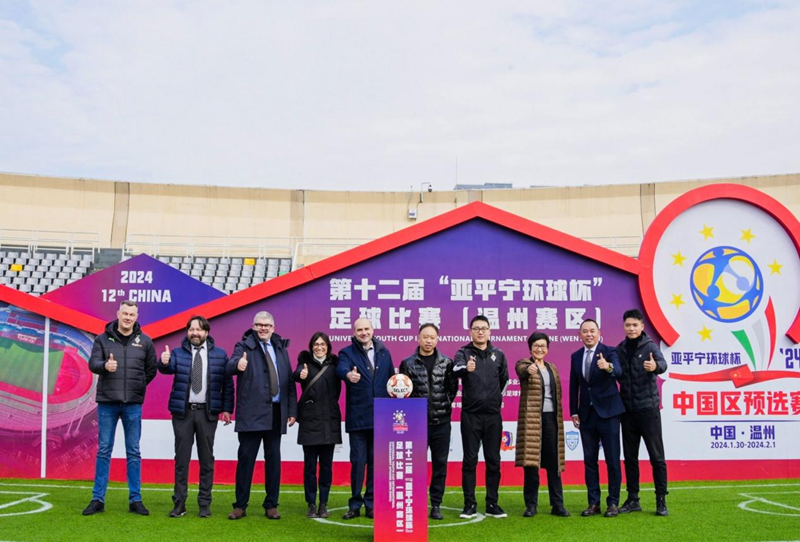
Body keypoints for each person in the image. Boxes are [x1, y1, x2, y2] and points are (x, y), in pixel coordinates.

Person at [83, 300, 157, 516]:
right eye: (125, 313)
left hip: (133, 404)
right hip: (108, 403)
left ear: (136, 317)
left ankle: (135, 499)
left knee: (133, 451)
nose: (128, 317)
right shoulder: (102, 339)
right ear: (118, 314)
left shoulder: (146, 341)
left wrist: (138, 385)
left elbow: (151, 370)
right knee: (104, 450)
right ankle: (98, 499)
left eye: (131, 314)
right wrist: (105, 366)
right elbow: (92, 364)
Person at [158, 315, 234, 518]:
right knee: (181, 460)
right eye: (191, 329)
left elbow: (227, 384)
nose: (195, 333)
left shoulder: (220, 355)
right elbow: (167, 368)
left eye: (199, 329)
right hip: (183, 413)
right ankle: (179, 503)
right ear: (187, 332)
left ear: (206, 332)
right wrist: (164, 362)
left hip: (207, 413)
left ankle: (204, 504)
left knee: (206, 460)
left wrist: (227, 409)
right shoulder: (177, 353)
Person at [226, 311, 297, 520]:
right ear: (254, 326)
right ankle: (240, 506)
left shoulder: (280, 348)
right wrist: (238, 365)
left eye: (267, 325)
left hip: (276, 412)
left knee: (273, 460)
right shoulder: (243, 346)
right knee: (246, 460)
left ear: (273, 327)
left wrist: (292, 411)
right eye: (259, 325)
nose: (263, 328)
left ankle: (271, 505)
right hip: (251, 413)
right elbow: (229, 366)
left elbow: (289, 382)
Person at [335, 318, 394, 520]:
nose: (363, 332)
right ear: (354, 332)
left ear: (373, 330)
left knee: (376, 463)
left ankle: (371, 504)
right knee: (358, 462)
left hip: (381, 417)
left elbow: (391, 380)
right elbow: (340, 369)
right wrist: (348, 376)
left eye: (366, 329)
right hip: (358, 418)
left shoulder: (384, 352)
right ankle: (355, 504)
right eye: (359, 330)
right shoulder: (347, 353)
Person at [398, 323, 457, 520]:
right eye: (425, 337)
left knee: (440, 465)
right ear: (418, 338)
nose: (428, 341)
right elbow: (404, 393)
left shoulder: (447, 363)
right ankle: (415, 503)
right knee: (415, 466)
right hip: (417, 424)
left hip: (442, 423)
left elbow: (452, 389)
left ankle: (436, 504)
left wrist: (443, 406)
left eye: (432, 337)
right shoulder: (408, 363)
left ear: (437, 339)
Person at [454, 314, 509, 519]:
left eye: (484, 328)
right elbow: (455, 369)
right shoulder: (463, 352)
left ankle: (492, 503)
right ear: (470, 332)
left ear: (489, 331)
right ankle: (469, 504)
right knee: (470, 460)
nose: (480, 332)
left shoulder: (499, 354)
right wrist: (466, 369)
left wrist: (495, 399)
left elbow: (504, 380)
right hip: (471, 415)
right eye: (476, 328)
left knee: (493, 460)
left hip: (493, 416)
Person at [616, 309, 669, 516]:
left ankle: (661, 500)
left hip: (648, 410)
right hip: (627, 412)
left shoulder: (650, 347)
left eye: (635, 325)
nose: (631, 328)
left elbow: (663, 365)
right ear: (624, 327)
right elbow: (615, 372)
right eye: (628, 325)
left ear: (641, 327)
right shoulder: (620, 349)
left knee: (657, 458)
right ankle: (633, 499)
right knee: (630, 458)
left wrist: (655, 366)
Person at [569, 318, 624, 518]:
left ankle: (613, 503)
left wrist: (607, 366)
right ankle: (593, 503)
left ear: (599, 333)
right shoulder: (576, 356)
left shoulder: (609, 351)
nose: (589, 334)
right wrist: (574, 411)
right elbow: (574, 385)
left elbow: (618, 371)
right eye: (585, 331)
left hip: (608, 413)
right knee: (590, 461)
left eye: (592, 331)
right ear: (580, 335)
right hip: (586, 415)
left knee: (612, 460)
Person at [515, 332, 570, 518]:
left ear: (547, 349)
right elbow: (521, 370)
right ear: (530, 348)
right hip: (532, 421)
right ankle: (531, 505)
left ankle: (558, 505)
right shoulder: (524, 364)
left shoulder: (552, 368)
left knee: (554, 464)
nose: (540, 349)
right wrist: (528, 369)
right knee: (531, 465)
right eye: (536, 346)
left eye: (543, 346)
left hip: (551, 420)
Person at [293, 332, 342, 519]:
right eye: (316, 344)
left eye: (323, 344)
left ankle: (323, 503)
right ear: (311, 346)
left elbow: (337, 390)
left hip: (329, 421)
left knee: (327, 467)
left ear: (328, 346)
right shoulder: (305, 363)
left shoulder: (335, 365)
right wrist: (301, 374)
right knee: (310, 467)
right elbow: (296, 374)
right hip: (310, 422)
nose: (319, 347)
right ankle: (311, 503)